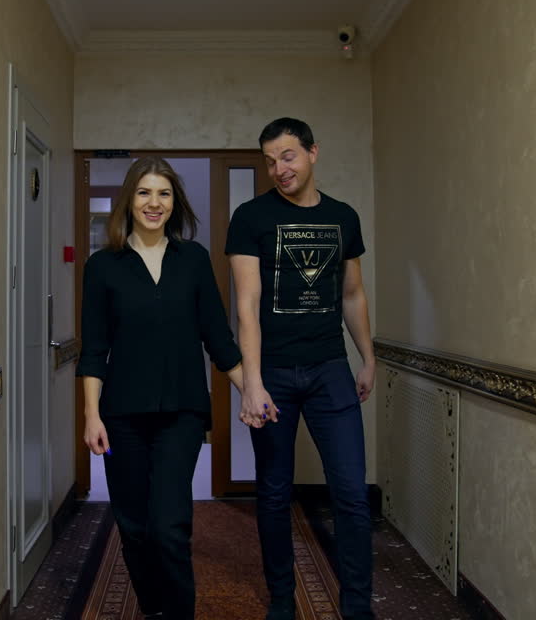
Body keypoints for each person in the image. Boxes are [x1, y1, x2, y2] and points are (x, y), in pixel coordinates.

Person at [77, 156, 245, 620]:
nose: (155, 203)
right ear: (129, 200)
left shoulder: (192, 260)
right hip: (121, 416)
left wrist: (251, 390)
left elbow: (218, 337)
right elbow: (93, 350)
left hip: (182, 414)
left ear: (175, 202)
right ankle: (154, 609)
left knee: (170, 526)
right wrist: (92, 415)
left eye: (164, 194)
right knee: (134, 527)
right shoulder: (103, 267)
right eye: (145, 193)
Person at [226, 118, 376, 620]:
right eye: (270, 160)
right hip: (273, 377)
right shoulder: (250, 217)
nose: (278, 169)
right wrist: (252, 383)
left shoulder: (343, 217)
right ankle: (282, 599)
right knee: (273, 491)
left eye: (287, 156)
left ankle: (357, 604)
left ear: (313, 152)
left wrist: (368, 358)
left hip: (330, 368)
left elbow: (352, 295)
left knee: (353, 492)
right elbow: (246, 306)